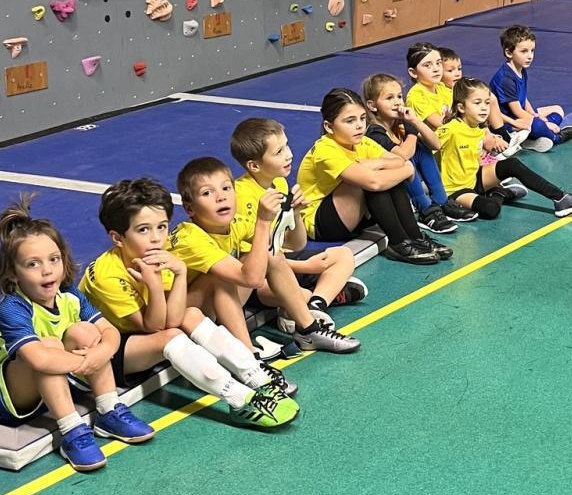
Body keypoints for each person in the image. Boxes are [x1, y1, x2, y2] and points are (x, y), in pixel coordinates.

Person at [80, 177, 308, 424]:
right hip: (108, 353)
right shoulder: (107, 275)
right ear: (117, 238)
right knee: (172, 336)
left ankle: (256, 376)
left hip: (149, 331)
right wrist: (156, 285)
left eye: (162, 226)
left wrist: (179, 274)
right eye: (143, 230)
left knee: (190, 314)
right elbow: (155, 326)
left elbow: (177, 316)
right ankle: (239, 400)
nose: (157, 237)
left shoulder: (161, 252)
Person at [0, 198, 143, 475]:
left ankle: (109, 410)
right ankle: (72, 431)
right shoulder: (12, 308)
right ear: (13, 274)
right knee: (48, 348)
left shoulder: (70, 295)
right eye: (33, 264)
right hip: (7, 395)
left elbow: (110, 332)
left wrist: (100, 352)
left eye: (53, 259)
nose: (47, 270)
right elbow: (39, 359)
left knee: (85, 331)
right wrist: (86, 362)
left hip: (57, 371)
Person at [169, 158, 303, 425]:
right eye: (208, 193)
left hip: (208, 309)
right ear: (189, 208)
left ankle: (308, 327)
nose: (221, 197)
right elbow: (251, 278)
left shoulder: (234, 223)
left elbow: (295, 245)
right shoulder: (190, 237)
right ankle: (249, 359)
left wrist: (295, 213)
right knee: (220, 277)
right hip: (177, 314)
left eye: (226, 189)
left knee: (270, 256)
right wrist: (264, 222)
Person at [228, 118, 362, 351]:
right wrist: (306, 267)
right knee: (294, 292)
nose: (289, 155)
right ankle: (310, 303)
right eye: (279, 152)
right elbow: (254, 262)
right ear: (254, 166)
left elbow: (296, 243)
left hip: (284, 261)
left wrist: (297, 213)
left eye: (287, 146)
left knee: (344, 255)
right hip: (259, 279)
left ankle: (316, 304)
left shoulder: (279, 183)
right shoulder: (242, 196)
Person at [295, 89, 451, 265]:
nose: (360, 126)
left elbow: (400, 161)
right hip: (322, 222)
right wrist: (402, 169)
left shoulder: (363, 142)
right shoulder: (325, 149)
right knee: (372, 181)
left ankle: (415, 237)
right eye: (350, 121)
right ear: (329, 127)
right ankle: (398, 243)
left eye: (362, 118)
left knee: (385, 177)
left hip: (355, 215)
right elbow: (374, 182)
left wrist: (376, 165)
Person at [438, 77, 572, 220]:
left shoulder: (477, 128)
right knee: (491, 209)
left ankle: (561, 198)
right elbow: (425, 150)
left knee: (511, 164)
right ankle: (499, 192)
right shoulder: (450, 129)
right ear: (461, 107)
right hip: (455, 190)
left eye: (487, 103)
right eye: (477, 103)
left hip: (474, 177)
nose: (484, 108)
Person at [362, 72, 473, 235]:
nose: (396, 102)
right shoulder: (373, 131)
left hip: (404, 186)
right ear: (372, 105)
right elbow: (403, 155)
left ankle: (442, 200)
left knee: (422, 147)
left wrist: (415, 122)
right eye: (389, 98)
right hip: (383, 193)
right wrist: (412, 132)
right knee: (407, 156)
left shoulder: (400, 123)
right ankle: (425, 209)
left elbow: (436, 143)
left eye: (399, 96)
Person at [489, 25, 572, 151]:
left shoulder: (521, 69)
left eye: (532, 51)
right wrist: (544, 123)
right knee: (537, 124)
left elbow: (523, 98)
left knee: (558, 110)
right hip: (508, 122)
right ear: (509, 52)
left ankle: (531, 138)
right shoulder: (506, 79)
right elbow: (517, 112)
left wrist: (534, 114)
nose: (530, 56)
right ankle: (556, 138)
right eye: (524, 51)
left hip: (519, 117)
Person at [404, 41, 453, 131]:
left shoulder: (440, 86)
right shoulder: (416, 96)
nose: (436, 69)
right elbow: (440, 124)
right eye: (427, 65)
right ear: (413, 72)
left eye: (438, 63)